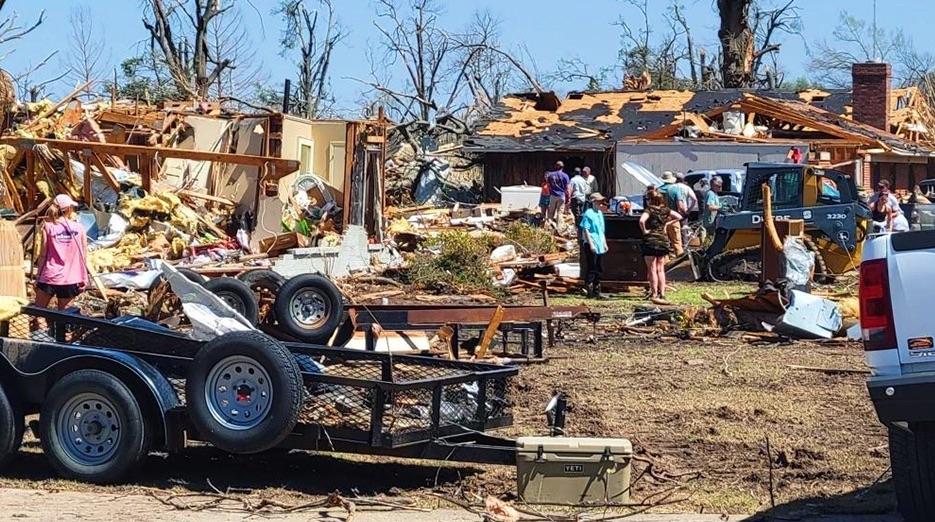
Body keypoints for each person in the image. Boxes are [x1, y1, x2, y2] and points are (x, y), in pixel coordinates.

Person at [34, 194, 89, 311]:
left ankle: (41, 330)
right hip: (70, 279)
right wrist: (84, 278)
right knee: (65, 317)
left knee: (38, 313)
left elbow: (43, 254)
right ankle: (61, 330)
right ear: (69, 209)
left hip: (49, 276)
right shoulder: (79, 228)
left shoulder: (48, 227)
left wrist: (38, 277)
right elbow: (83, 255)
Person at [640, 189, 681, 301]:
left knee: (652, 269)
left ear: (650, 200)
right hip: (663, 240)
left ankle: (654, 293)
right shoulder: (666, 210)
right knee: (660, 269)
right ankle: (662, 293)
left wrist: (645, 231)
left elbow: (641, 221)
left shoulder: (649, 210)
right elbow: (679, 216)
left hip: (651, 241)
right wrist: (667, 224)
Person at [579, 193, 609, 298]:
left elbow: (601, 230)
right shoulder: (588, 213)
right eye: (599, 202)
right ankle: (589, 289)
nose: (601, 204)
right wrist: (591, 244)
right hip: (591, 243)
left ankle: (597, 290)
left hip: (600, 242)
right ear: (593, 202)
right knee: (592, 266)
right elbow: (586, 229)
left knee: (599, 266)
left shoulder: (600, 214)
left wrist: (604, 243)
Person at [659, 171, 686, 256]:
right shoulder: (675, 190)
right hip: (674, 219)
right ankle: (679, 264)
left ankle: (665, 264)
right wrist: (684, 213)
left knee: (664, 244)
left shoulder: (658, 190)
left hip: (661, 219)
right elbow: (680, 206)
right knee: (677, 243)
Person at [544, 161, 570, 227]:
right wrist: (568, 197)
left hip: (553, 196)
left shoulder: (551, 175)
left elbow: (548, 185)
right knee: (560, 213)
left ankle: (548, 227)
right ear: (563, 167)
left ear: (555, 166)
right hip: (561, 196)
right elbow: (567, 188)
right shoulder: (565, 176)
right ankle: (559, 228)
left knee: (550, 213)